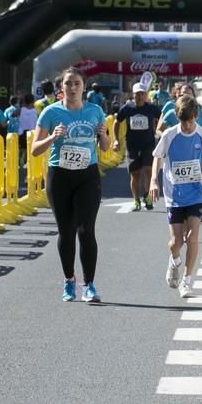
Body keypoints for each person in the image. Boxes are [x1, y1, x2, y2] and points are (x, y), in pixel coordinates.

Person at [31, 66, 110, 302]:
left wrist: (104, 135)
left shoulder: (95, 111)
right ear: (61, 88)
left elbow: (105, 146)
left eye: (77, 83)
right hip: (60, 176)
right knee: (66, 232)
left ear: (83, 86)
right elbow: (35, 150)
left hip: (88, 176)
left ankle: (89, 285)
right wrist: (52, 137)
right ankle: (69, 281)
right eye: (68, 84)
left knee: (86, 230)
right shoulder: (50, 112)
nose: (73, 87)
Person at [150, 94, 202, 298]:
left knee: (193, 237)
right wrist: (154, 179)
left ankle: (187, 280)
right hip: (174, 195)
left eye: (190, 121)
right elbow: (157, 157)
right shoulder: (170, 135)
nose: (187, 126)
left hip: (197, 193)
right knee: (176, 242)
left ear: (196, 116)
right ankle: (174, 260)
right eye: (183, 122)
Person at [114, 83, 162, 211]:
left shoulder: (151, 108)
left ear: (146, 95)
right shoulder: (127, 108)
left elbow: (162, 118)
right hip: (132, 145)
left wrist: (159, 130)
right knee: (135, 175)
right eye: (137, 94)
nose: (139, 96)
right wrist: (116, 140)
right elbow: (117, 122)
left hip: (148, 144)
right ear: (133, 95)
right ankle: (136, 200)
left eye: (142, 94)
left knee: (147, 171)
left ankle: (147, 197)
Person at [18, 94, 38, 164]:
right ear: (33, 101)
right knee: (29, 149)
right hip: (32, 133)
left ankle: (20, 160)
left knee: (21, 149)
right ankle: (26, 162)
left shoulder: (20, 110)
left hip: (21, 133)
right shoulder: (36, 112)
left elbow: (12, 115)